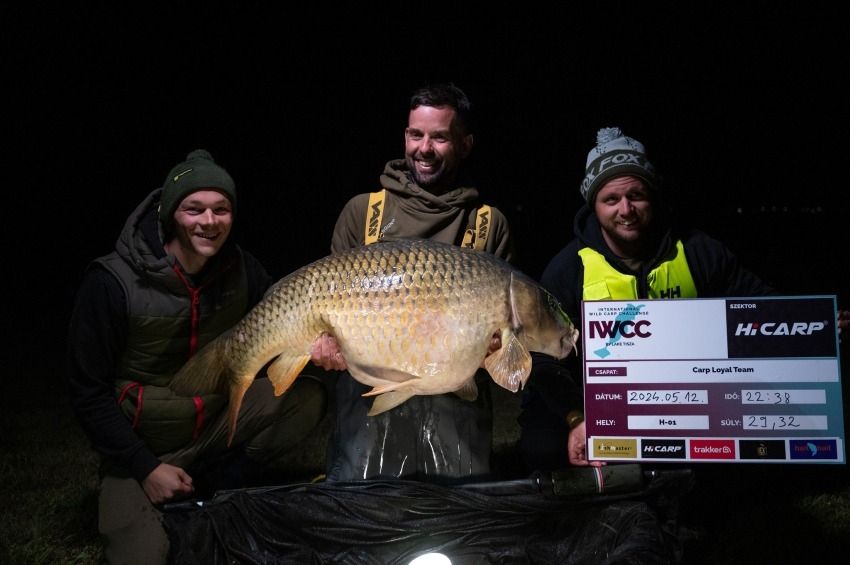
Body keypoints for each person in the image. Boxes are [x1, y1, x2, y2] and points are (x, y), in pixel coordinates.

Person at [66, 149, 326, 564]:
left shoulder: (242, 270)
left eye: (221, 209)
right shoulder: (111, 282)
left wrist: (318, 342)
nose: (209, 221)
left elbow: (293, 318)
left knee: (304, 398)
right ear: (171, 214)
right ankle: (158, 486)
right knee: (147, 556)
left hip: (211, 431)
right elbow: (87, 392)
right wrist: (145, 468)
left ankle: (226, 479)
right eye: (194, 209)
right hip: (141, 451)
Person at [518, 126, 787, 472]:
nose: (626, 210)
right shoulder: (569, 268)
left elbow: (758, 303)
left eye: (637, 195)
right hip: (592, 401)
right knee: (542, 447)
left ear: (653, 195)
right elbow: (541, 360)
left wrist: (817, 324)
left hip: (681, 396)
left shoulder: (697, 251)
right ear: (594, 206)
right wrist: (575, 418)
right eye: (611, 200)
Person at [312, 83, 513, 483]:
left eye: (440, 137)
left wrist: (496, 344)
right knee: (367, 514)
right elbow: (324, 308)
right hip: (372, 390)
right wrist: (325, 343)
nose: (424, 148)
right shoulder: (362, 213)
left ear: (465, 143)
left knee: (460, 512)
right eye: (415, 134)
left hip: (454, 400)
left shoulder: (488, 224)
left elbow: (503, 333)